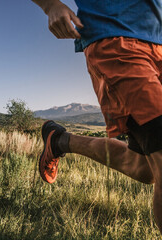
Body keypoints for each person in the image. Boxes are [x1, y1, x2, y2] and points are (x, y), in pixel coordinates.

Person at [32, 0, 162, 233]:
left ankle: (60, 140)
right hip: (117, 39)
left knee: (145, 168)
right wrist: (50, 5)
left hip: (158, 41)